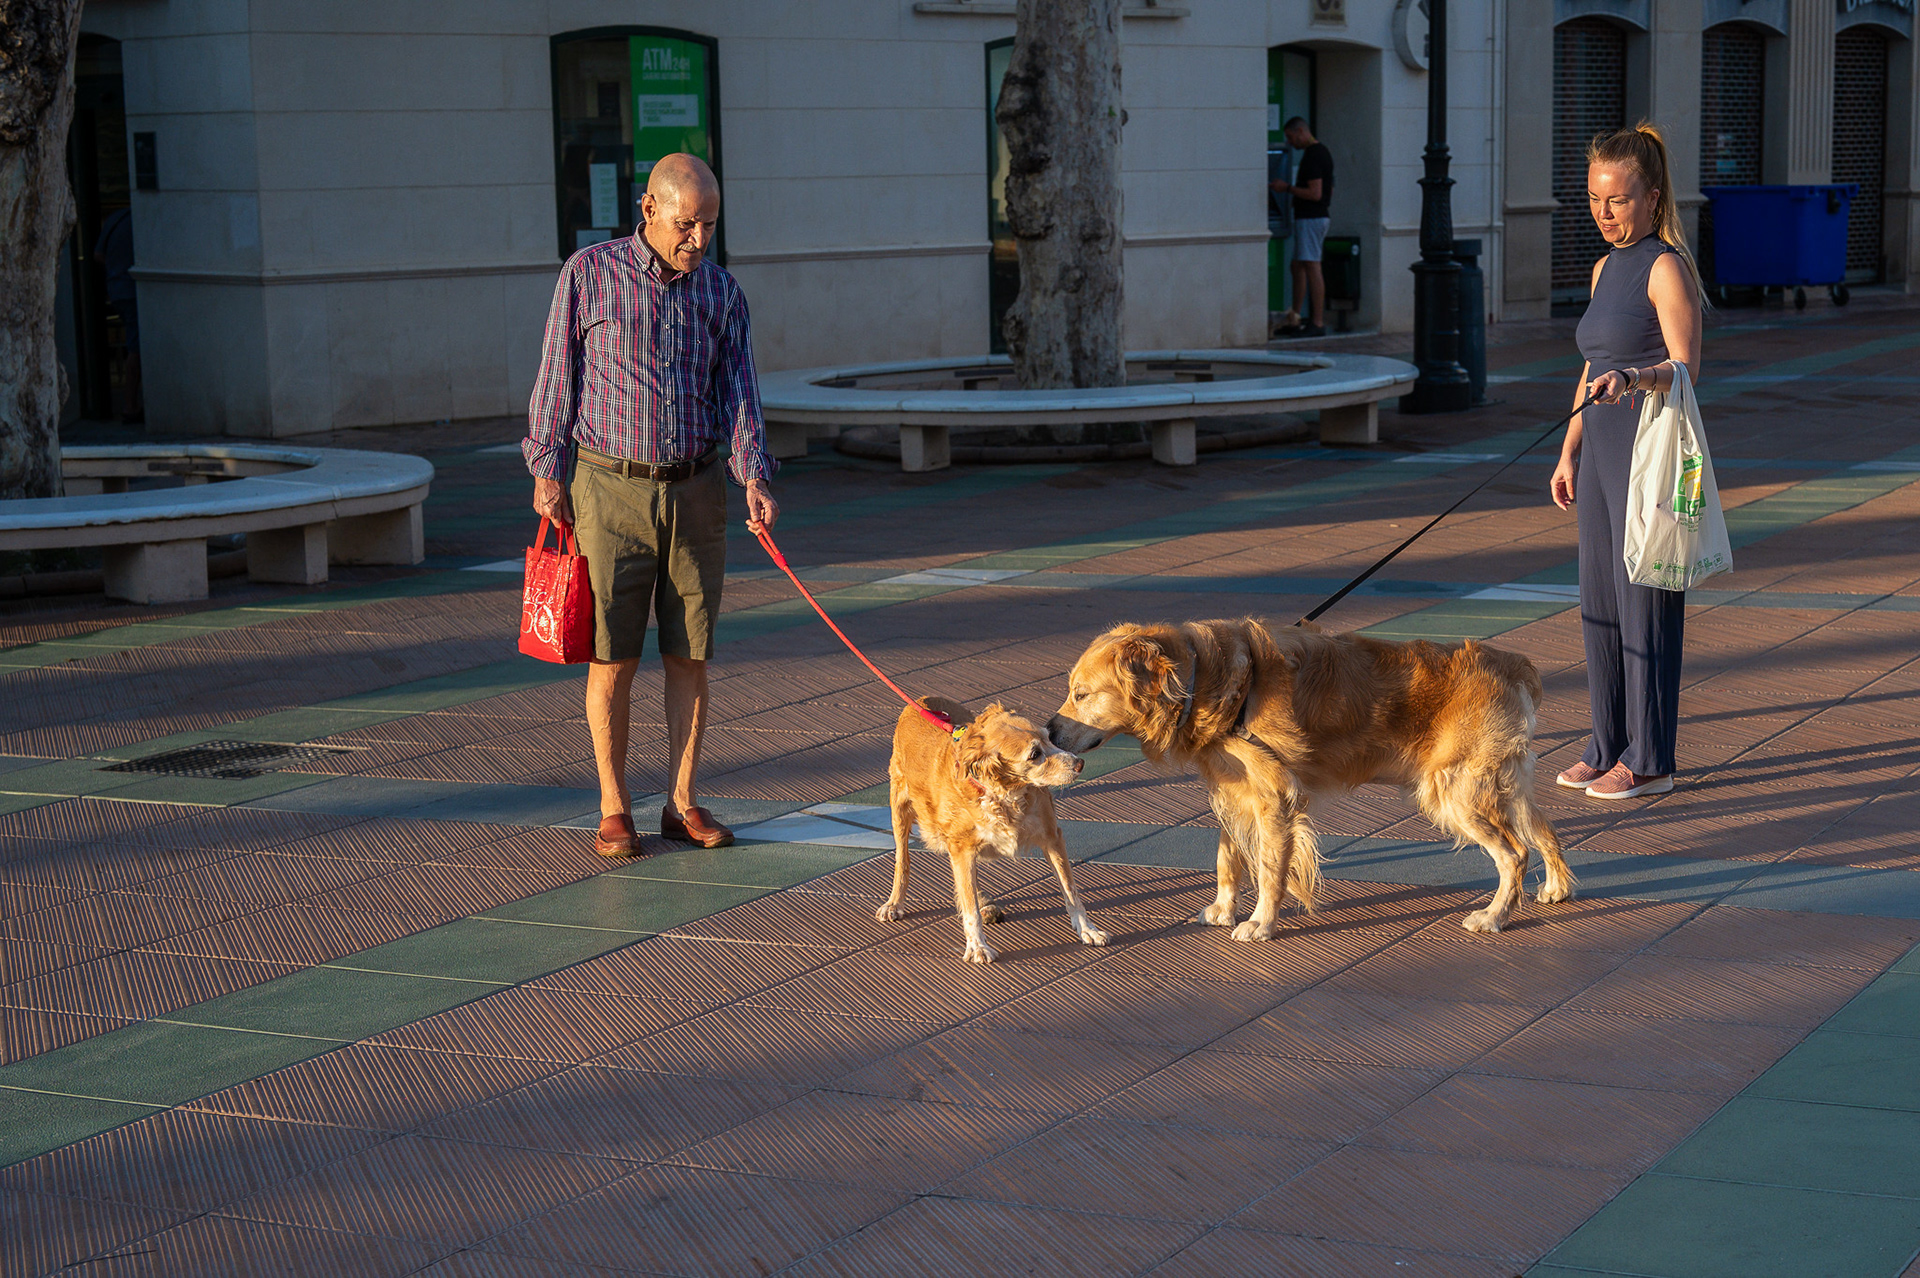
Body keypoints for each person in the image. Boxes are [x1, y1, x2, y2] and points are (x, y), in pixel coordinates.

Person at [523, 152, 780, 856]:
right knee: (612, 658)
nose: (697, 240)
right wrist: (547, 469)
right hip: (606, 492)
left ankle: (682, 802)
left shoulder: (722, 294)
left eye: (709, 226)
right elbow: (556, 380)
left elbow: (741, 394)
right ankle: (613, 806)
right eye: (686, 224)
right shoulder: (587, 275)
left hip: (696, 491)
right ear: (649, 209)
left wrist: (752, 474)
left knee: (689, 653)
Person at [1549, 123, 1704, 800]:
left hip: (1650, 451)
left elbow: (1685, 369)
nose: (1605, 213)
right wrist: (1567, 449)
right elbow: (1592, 365)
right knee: (1601, 604)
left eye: (1618, 199)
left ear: (1653, 195)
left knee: (1646, 603)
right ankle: (1607, 743)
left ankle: (1650, 759)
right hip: (1601, 453)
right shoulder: (1603, 268)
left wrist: (1635, 379)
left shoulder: (1664, 265)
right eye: (1594, 199)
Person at [1273, 117, 1333, 338]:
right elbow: (1328, 191)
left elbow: (1315, 193)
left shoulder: (1314, 155)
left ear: (1300, 131)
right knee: (1297, 265)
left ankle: (1316, 322)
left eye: (1290, 137)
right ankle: (1295, 317)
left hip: (1311, 218)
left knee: (1311, 265)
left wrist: (1286, 188)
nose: (1290, 142)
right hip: (1313, 217)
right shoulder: (1322, 153)